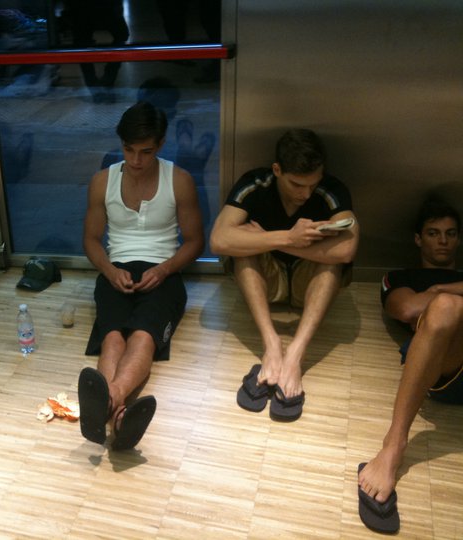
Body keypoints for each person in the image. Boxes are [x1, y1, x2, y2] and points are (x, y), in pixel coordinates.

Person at [78, 101, 204, 450]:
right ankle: (118, 414)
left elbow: (195, 242)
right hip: (116, 270)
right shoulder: (102, 182)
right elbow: (90, 240)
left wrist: (164, 269)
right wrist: (109, 270)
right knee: (112, 338)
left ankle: (107, 402)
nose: (135, 160)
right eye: (128, 150)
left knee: (143, 336)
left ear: (160, 145)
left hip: (163, 273)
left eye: (145, 152)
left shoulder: (179, 180)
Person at [209, 128, 359, 420]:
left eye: (312, 184)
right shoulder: (255, 183)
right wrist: (288, 237)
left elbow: (348, 249)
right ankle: (272, 345)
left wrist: (278, 241)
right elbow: (218, 240)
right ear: (277, 170)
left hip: (308, 281)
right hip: (269, 280)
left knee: (333, 260)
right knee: (241, 246)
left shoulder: (331, 189)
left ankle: (294, 355)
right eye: (297, 184)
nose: (306, 193)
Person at [357, 200, 463, 534]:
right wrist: (444, 296)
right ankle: (393, 445)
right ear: (418, 239)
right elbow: (406, 309)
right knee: (446, 308)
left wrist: (442, 287)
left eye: (450, 233)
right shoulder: (401, 277)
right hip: (450, 367)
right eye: (433, 233)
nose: (443, 240)